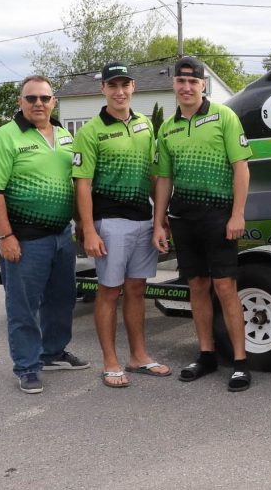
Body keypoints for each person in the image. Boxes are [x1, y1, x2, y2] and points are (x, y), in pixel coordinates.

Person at [0, 75, 89, 394]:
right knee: (24, 305)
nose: (38, 104)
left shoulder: (66, 137)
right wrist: (5, 236)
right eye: (31, 99)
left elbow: (77, 183)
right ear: (20, 102)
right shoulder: (5, 137)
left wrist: (82, 224)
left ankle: (53, 352)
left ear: (54, 101)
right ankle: (27, 366)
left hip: (61, 235)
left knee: (62, 298)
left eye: (44, 98)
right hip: (24, 239)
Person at [152, 56, 253, 392]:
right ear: (174, 85)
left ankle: (240, 362)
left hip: (219, 216)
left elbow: (241, 168)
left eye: (192, 82)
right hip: (184, 218)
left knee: (225, 287)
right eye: (181, 81)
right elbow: (164, 179)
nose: (186, 87)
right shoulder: (167, 128)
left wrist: (238, 214)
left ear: (202, 85)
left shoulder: (224, 117)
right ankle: (207, 354)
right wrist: (158, 222)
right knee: (196, 286)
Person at [72, 61, 170, 388]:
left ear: (133, 88)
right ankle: (111, 361)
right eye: (113, 86)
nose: (119, 91)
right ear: (103, 89)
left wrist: (160, 218)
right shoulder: (90, 132)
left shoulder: (144, 125)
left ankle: (139, 356)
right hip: (109, 222)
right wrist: (88, 230)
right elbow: (82, 184)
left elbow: (156, 175)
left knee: (137, 290)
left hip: (143, 218)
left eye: (124, 85)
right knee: (109, 292)